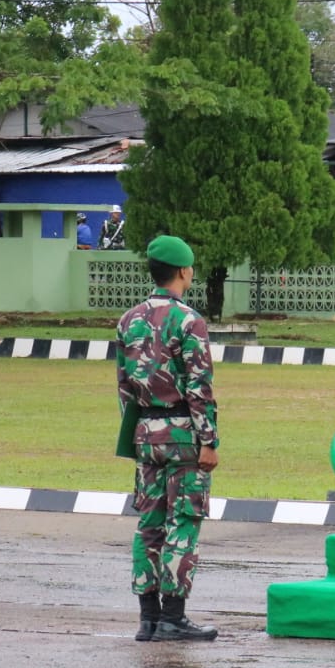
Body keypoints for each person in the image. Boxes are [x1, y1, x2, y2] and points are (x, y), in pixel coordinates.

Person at [116, 235, 220, 641]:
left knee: (149, 525)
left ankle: (148, 618)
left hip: (146, 434)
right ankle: (173, 618)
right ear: (182, 271)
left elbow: (124, 387)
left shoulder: (129, 319)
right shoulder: (188, 320)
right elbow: (200, 385)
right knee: (184, 523)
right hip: (183, 436)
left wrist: (138, 434)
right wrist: (208, 440)